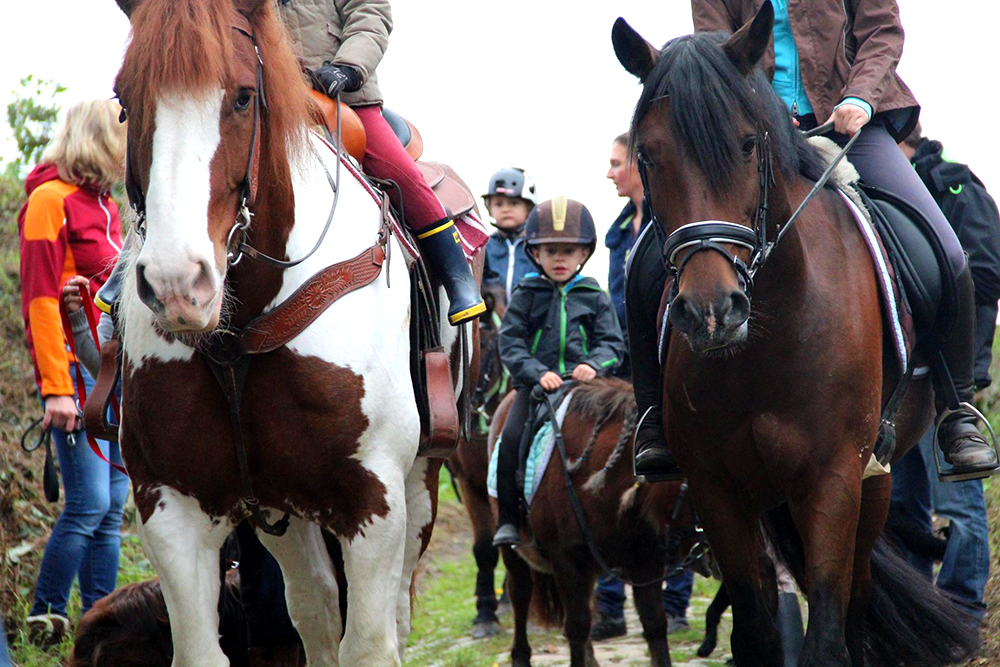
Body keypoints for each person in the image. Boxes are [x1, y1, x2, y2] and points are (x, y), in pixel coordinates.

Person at [628, 0, 999, 479]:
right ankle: (654, 418)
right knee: (644, 262)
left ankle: (957, 412)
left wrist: (861, 97)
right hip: (747, 132)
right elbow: (715, 47)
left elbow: (882, 31)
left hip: (851, 125)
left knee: (947, 254)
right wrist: (755, 108)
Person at [279, 0, 484, 325]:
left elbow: (369, 15)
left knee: (398, 172)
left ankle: (458, 276)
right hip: (265, 101)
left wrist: (347, 67)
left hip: (341, 97)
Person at [17, 99, 129, 647]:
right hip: (75, 378)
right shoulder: (48, 201)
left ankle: (100, 624)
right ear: (98, 139)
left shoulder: (108, 207)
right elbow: (40, 300)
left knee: (113, 509)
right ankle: (45, 615)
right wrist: (55, 388)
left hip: (112, 376)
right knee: (90, 504)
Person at [887, 124, 1000, 620]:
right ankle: (918, 614)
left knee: (956, 500)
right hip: (897, 382)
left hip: (945, 381)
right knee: (900, 504)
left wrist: (925, 289)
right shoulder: (880, 192)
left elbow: (988, 269)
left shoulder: (953, 182)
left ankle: (962, 610)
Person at [592, 133, 693, 640]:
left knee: (676, 489)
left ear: (639, 163)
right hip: (625, 374)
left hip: (672, 373)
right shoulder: (615, 236)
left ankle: (675, 601)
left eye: (616, 163)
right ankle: (609, 605)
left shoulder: (673, 221)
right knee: (610, 483)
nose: (609, 173)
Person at [492, 197, 625, 547]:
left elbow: (612, 344)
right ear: (536, 254)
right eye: (551, 251)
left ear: (584, 254)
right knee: (511, 441)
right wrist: (537, 373)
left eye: (569, 250)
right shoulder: (526, 294)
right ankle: (508, 519)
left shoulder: (594, 295)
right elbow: (511, 344)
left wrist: (593, 365)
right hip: (537, 390)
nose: (560, 259)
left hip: (586, 389)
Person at [482, 167, 536, 303]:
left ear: (529, 208)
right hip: (494, 321)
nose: (506, 209)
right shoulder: (484, 247)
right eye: (499, 204)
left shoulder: (537, 247)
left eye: (514, 203)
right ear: (489, 208)